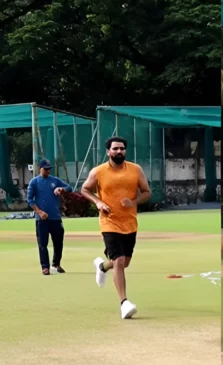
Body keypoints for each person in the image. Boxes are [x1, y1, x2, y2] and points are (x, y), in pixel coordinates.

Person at [81, 136, 151, 319]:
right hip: (109, 221)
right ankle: (124, 303)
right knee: (119, 261)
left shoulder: (136, 170)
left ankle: (103, 266)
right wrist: (97, 202)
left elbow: (147, 192)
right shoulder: (98, 172)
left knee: (124, 262)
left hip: (129, 222)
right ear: (108, 152)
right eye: (115, 149)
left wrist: (133, 201)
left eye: (122, 149)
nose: (119, 151)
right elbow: (85, 189)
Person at [26, 158, 72, 275]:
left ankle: (56, 264)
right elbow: (30, 199)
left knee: (58, 242)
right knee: (43, 243)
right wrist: (39, 212)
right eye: (46, 169)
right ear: (40, 169)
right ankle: (45, 267)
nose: (48, 171)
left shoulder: (55, 181)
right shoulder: (34, 182)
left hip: (55, 217)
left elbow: (70, 188)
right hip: (42, 219)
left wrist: (61, 189)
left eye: (49, 169)